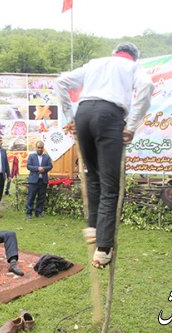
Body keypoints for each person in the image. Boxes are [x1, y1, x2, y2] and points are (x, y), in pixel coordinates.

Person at [55, 42, 154, 268]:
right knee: (110, 185)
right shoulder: (132, 68)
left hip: (84, 114)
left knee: (92, 176)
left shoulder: (94, 64)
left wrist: (70, 117)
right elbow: (147, 86)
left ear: (115, 53)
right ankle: (103, 249)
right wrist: (130, 125)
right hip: (109, 116)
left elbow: (61, 81)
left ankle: (93, 228)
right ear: (134, 57)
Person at [26, 141, 53, 220]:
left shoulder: (47, 157)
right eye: (38, 147)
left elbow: (50, 166)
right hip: (33, 180)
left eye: (41, 148)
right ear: (36, 148)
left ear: (43, 148)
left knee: (41, 198)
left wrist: (44, 169)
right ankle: (29, 213)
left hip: (43, 181)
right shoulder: (31, 156)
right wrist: (37, 168)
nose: (40, 149)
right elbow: (28, 166)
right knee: (31, 197)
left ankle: (38, 212)